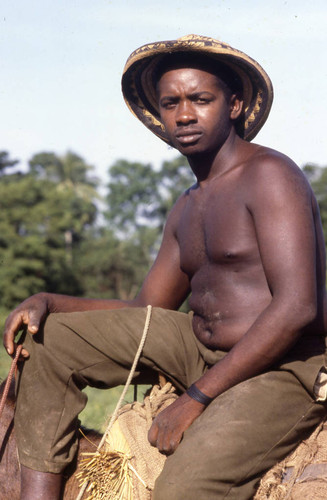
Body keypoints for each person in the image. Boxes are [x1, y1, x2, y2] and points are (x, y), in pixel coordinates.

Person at [3, 34, 327, 500]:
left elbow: (296, 307)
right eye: (171, 103)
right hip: (199, 347)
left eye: (201, 99)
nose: (185, 115)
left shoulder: (271, 176)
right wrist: (49, 302)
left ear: (233, 105)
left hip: (283, 363)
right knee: (52, 339)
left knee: (185, 487)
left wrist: (195, 398)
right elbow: (145, 308)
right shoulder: (187, 206)